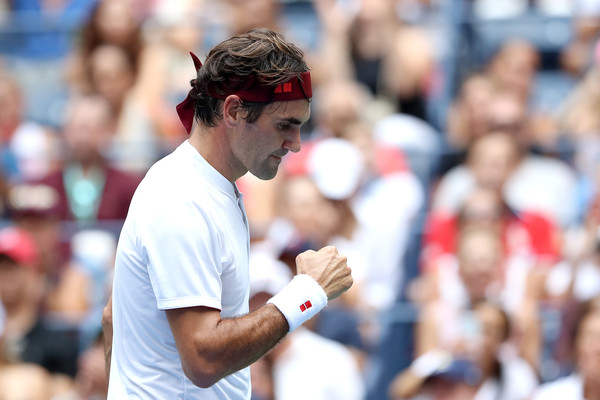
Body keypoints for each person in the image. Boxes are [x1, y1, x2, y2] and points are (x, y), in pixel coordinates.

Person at [103, 28, 353, 399]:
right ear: (234, 110)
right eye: (285, 124)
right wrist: (308, 292)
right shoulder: (182, 199)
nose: (296, 144)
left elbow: (113, 318)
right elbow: (203, 359)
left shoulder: (208, 189)